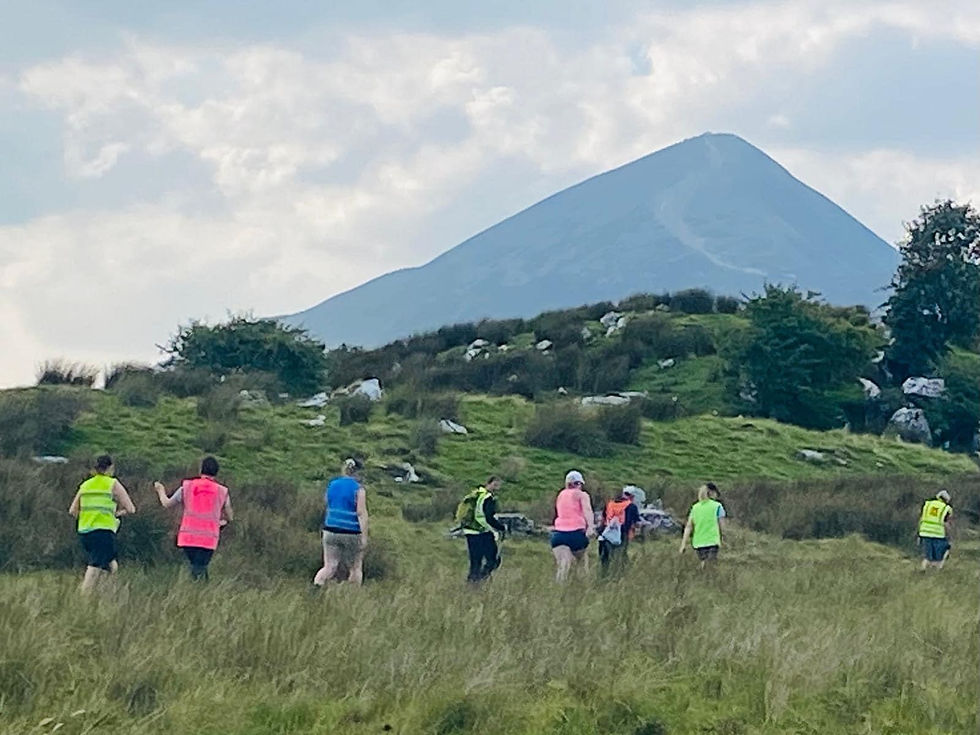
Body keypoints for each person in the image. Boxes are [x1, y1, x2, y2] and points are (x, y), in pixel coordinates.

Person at [154, 456, 233, 581]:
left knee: (197, 567)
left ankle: (199, 592)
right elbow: (229, 515)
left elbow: (166, 503)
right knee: (200, 568)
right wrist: (224, 521)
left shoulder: (187, 486)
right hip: (208, 538)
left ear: (201, 470)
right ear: (217, 472)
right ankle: (201, 593)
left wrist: (160, 490)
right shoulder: (222, 491)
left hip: (188, 537)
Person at [68, 454, 136, 593]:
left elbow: (73, 510)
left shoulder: (86, 485)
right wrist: (116, 514)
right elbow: (130, 509)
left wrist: (87, 517)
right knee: (95, 566)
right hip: (103, 531)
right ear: (111, 468)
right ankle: (83, 595)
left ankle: (107, 594)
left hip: (85, 531)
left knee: (111, 565)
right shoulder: (112, 483)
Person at [313, 458, 369, 588]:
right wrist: (364, 536)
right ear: (358, 473)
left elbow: (327, 502)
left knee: (329, 566)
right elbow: (361, 512)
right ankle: (352, 595)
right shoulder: (358, 489)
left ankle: (316, 588)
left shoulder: (332, 485)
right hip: (351, 531)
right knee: (355, 567)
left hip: (331, 529)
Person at [459, 476, 506, 583]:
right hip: (482, 532)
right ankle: (480, 579)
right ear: (488, 483)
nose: (496, 488)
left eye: (498, 486)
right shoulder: (487, 497)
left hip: (470, 531)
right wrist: (499, 528)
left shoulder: (477, 494)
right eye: (495, 485)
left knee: (475, 561)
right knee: (493, 560)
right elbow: (485, 516)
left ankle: (472, 584)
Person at [551, 470, 596, 581]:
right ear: (579, 484)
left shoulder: (560, 495)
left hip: (558, 534)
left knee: (563, 567)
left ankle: (558, 590)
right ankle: (583, 589)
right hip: (576, 533)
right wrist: (590, 527)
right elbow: (587, 510)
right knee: (582, 564)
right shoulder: (582, 495)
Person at [680, 484, 726, 568]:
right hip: (712, 540)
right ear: (712, 493)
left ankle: (702, 577)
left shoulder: (695, 507)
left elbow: (688, 526)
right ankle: (707, 578)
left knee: (704, 562)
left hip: (698, 542)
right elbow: (722, 524)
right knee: (710, 565)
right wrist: (723, 536)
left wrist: (683, 544)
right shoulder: (717, 506)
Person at [598, 486, 641, 574]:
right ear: (632, 496)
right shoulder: (632, 506)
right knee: (620, 556)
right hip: (622, 534)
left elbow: (602, 519)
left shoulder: (610, 504)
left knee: (605, 558)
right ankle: (619, 576)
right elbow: (637, 523)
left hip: (606, 534)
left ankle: (603, 576)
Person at [917, 489, 952, 571]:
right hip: (938, 534)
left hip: (924, 532)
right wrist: (950, 535)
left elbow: (921, 518)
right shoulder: (946, 508)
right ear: (946, 500)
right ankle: (937, 571)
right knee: (940, 554)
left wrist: (918, 532)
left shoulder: (927, 504)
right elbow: (946, 523)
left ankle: (923, 569)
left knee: (927, 555)